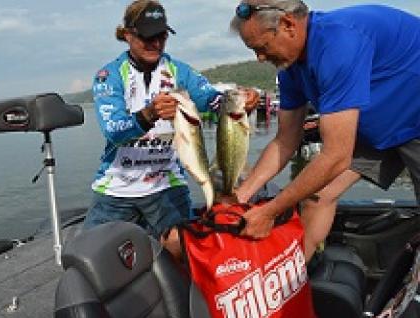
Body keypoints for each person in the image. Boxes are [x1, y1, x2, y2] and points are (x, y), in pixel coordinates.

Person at [229, 0, 420, 261]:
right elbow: (285, 140)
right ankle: (294, 279)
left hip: (415, 118)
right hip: (379, 126)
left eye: (262, 47)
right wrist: (241, 195)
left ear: (287, 25)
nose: (260, 58)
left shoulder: (339, 44)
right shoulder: (290, 67)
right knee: (318, 197)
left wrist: (270, 211)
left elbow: (336, 156)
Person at [83, 0, 260, 238]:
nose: (156, 43)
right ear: (128, 35)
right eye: (148, 37)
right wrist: (149, 114)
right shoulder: (110, 76)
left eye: (162, 36)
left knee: (183, 252)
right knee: (94, 255)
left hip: (168, 185)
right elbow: (113, 130)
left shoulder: (181, 71)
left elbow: (213, 100)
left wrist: (241, 101)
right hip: (115, 188)